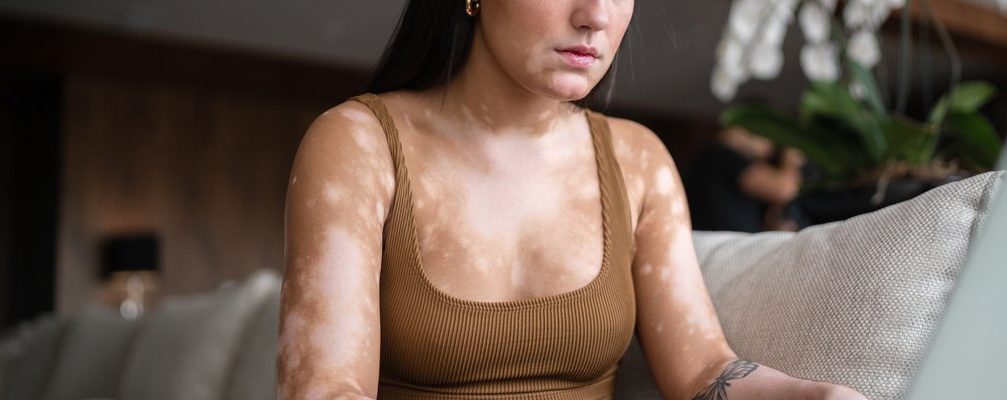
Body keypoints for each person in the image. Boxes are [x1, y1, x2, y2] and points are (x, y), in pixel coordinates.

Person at [278, 1, 867, 399]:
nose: (595, 15)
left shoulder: (638, 160)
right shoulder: (359, 143)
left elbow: (701, 369)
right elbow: (327, 388)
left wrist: (814, 393)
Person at [686, 126, 806, 232]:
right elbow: (785, 190)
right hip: (722, 246)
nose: (770, 147)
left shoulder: (713, 156)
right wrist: (792, 159)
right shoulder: (722, 153)